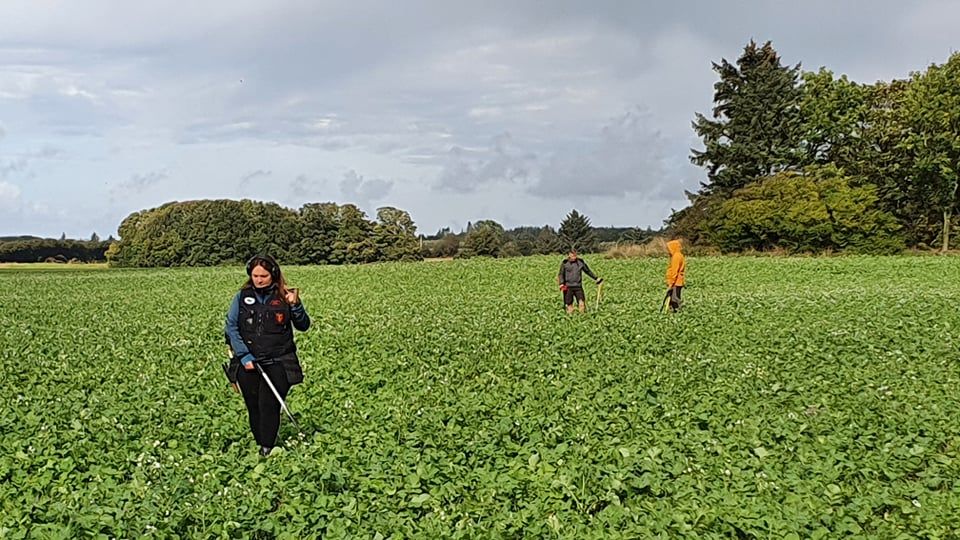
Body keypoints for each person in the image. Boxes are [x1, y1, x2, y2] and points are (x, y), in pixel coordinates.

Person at [225, 254, 310, 456]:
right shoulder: (241, 297)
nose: (259, 279)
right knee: (254, 405)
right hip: (248, 362)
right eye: (255, 275)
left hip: (279, 360)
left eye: (263, 275)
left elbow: (303, 326)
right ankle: (259, 444)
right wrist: (244, 356)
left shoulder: (285, 296)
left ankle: (267, 448)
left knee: (269, 404)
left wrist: (295, 306)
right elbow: (231, 326)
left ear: (272, 274)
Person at [557, 249, 602, 313]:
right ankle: (570, 318)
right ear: (569, 255)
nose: (574, 257)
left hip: (578, 286)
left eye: (575, 255)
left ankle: (582, 316)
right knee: (569, 305)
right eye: (572, 255)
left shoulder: (580, 262)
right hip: (568, 286)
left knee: (581, 303)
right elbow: (561, 274)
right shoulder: (565, 263)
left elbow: (588, 271)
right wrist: (561, 283)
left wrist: (596, 278)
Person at [665, 239, 686, 312]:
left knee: (674, 298)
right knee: (672, 298)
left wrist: (671, 283)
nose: (668, 250)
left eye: (669, 248)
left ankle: (681, 308)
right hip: (678, 281)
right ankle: (674, 312)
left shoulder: (676, 257)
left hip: (676, 281)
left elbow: (674, 271)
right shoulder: (679, 255)